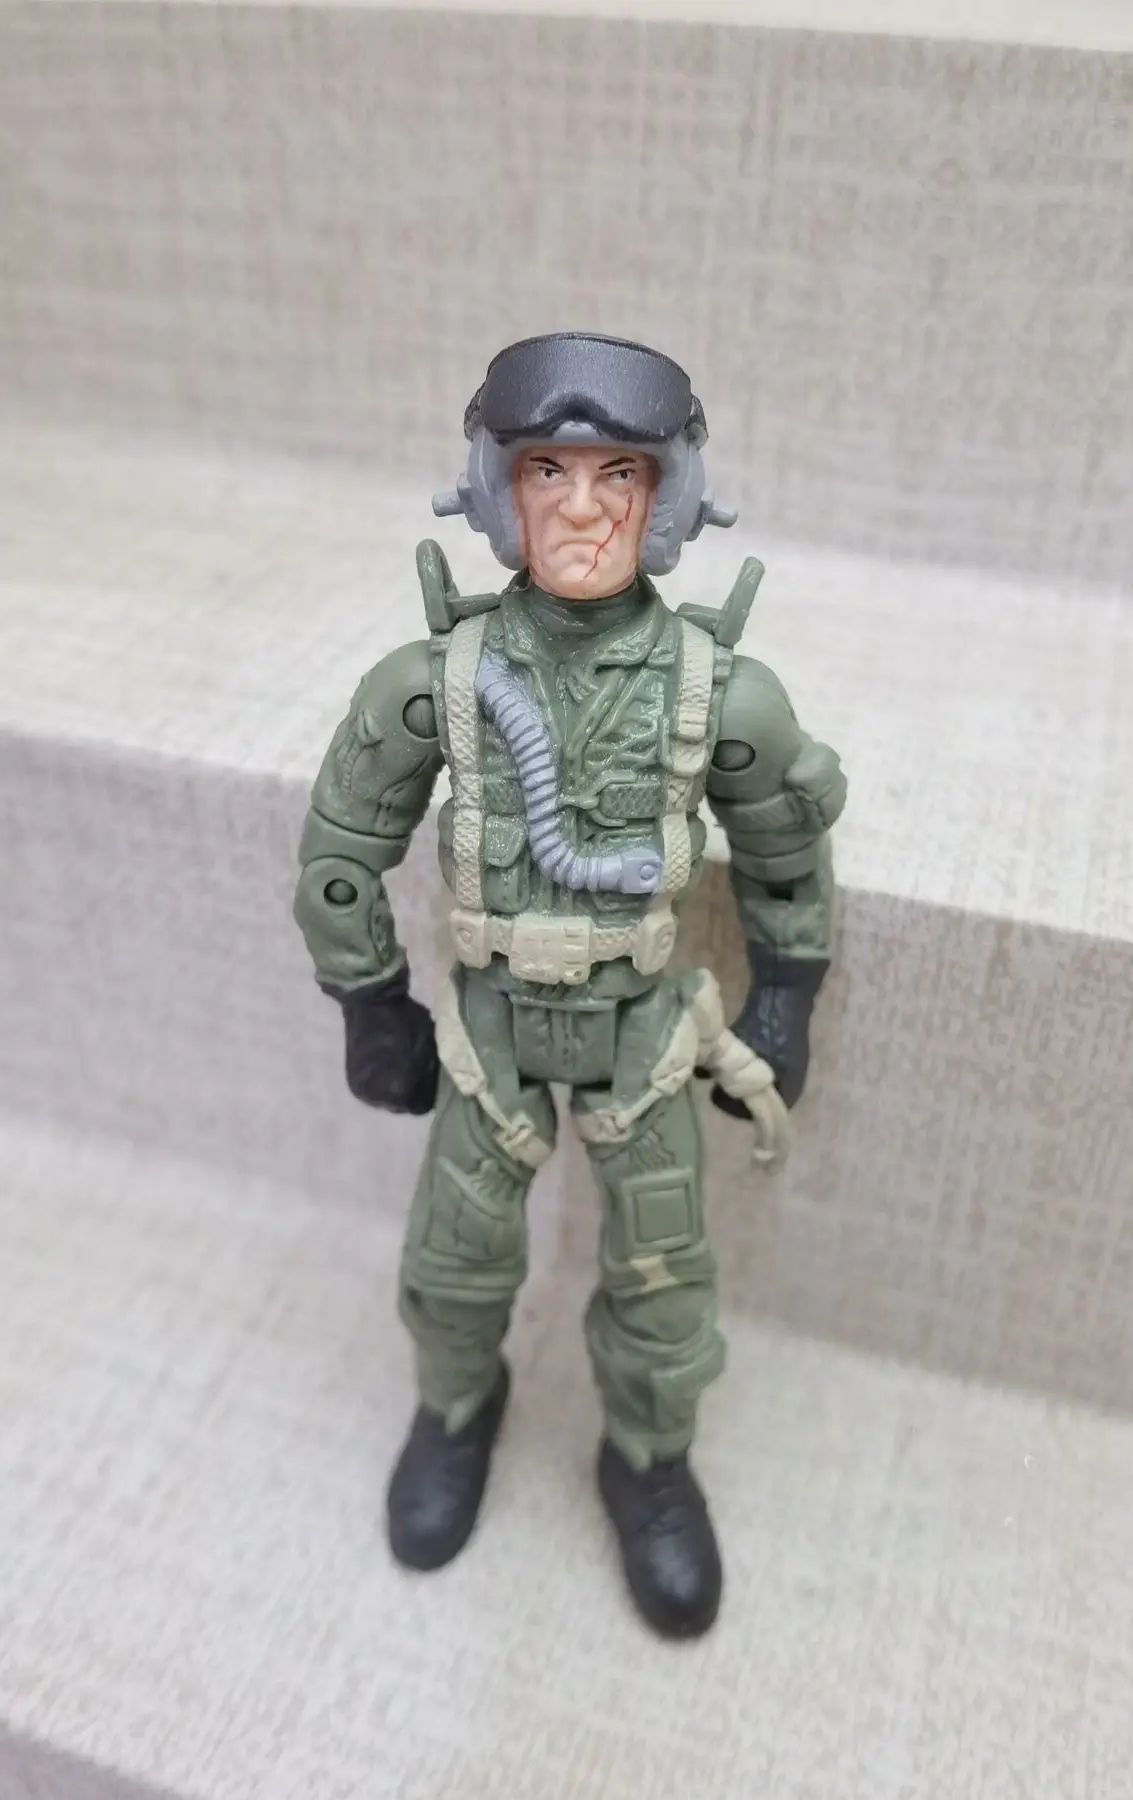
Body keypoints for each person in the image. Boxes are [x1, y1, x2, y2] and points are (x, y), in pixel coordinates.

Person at [294, 333, 846, 1637]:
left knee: (662, 1282)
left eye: (619, 475)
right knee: (454, 1265)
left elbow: (785, 852)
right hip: (489, 1031)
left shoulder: (721, 694)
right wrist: (371, 999)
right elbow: (342, 851)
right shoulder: (438, 684)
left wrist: (783, 994)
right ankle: (456, 1411)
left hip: (641, 1031)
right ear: (497, 488)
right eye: (548, 469)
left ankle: (648, 1459)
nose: (583, 508)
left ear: (669, 496)